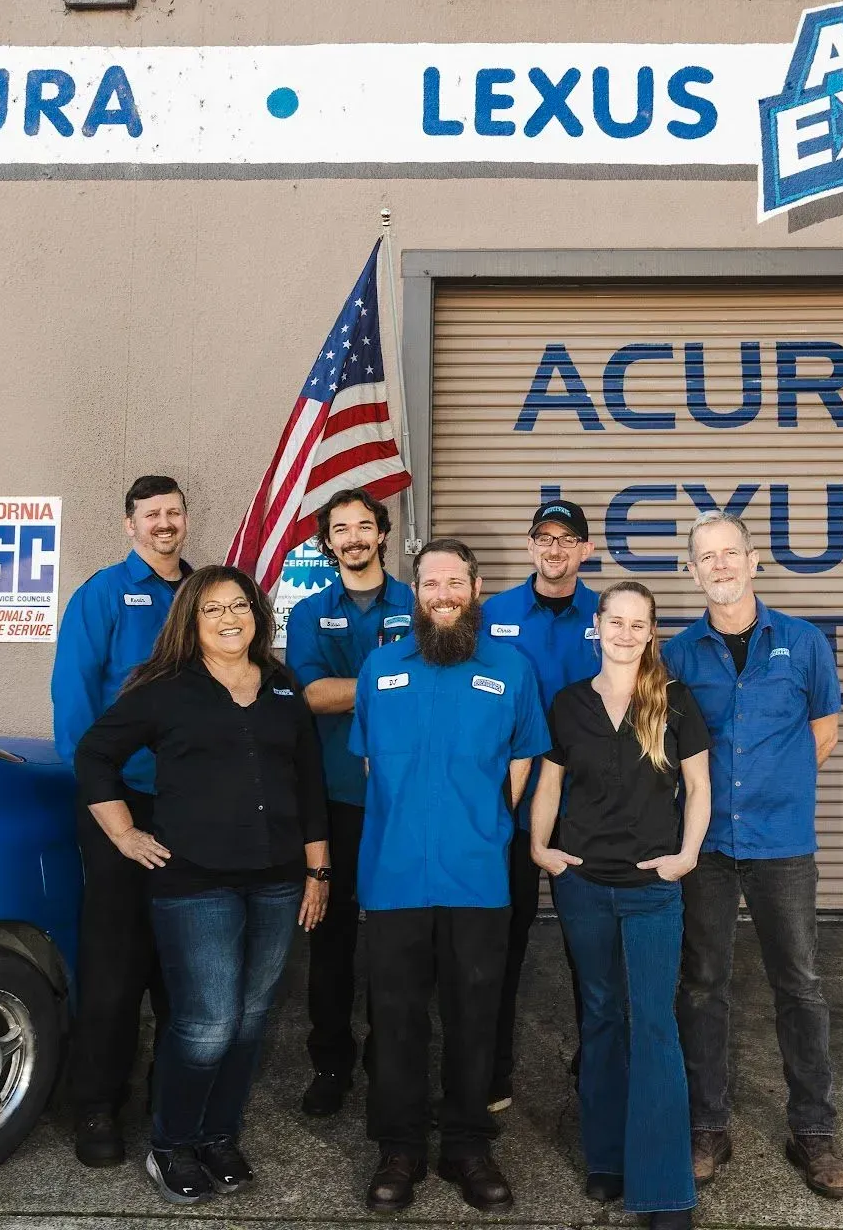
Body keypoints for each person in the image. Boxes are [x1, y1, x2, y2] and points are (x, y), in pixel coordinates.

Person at [75, 566, 331, 1203]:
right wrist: (125, 835)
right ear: (191, 621)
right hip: (195, 883)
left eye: (239, 606)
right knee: (208, 1024)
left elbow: (309, 783)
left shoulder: (280, 687)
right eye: (213, 608)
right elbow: (93, 756)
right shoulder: (165, 689)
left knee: (249, 1022)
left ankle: (217, 1135)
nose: (228, 618)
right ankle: (171, 1143)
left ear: (257, 615)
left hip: (277, 881)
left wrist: (318, 870)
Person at [350, 539, 549, 1214]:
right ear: (416, 590)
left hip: (477, 877)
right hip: (395, 874)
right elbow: (372, 765)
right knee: (397, 1018)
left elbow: (522, 766)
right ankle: (399, 1148)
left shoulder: (512, 670)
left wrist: (487, 830)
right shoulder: (380, 669)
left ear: (476, 586)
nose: (442, 592)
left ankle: (468, 1144)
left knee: (474, 1017)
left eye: (454, 581)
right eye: (431, 581)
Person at [661, 511, 843, 1199]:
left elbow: (823, 734)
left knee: (799, 986)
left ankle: (813, 1132)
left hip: (782, 845)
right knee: (703, 986)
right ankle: (707, 1126)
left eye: (729, 553)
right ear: (692, 571)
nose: (719, 565)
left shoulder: (803, 645)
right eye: (705, 557)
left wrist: (772, 788)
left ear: (752, 561)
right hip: (706, 847)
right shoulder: (678, 654)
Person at [531, 581, 709, 1229]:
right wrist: (540, 848)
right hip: (582, 885)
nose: (626, 634)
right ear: (597, 627)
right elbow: (549, 782)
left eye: (639, 625)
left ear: (651, 632)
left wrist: (686, 856)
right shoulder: (570, 703)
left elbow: (698, 786)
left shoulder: (675, 701)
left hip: (651, 888)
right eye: (616, 622)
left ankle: (664, 1191)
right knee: (602, 1016)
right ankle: (605, 1158)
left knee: (654, 1024)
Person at [50, 474, 192, 1167]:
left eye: (173, 512)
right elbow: (75, 714)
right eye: (151, 515)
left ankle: (174, 1100)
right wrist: (111, 821)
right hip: (120, 805)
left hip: (191, 811)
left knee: (183, 966)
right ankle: (97, 1108)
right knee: (113, 963)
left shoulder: (203, 594)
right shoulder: (102, 595)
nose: (164, 523)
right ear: (130, 526)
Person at [285, 487, 413, 1117]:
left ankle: (392, 1060)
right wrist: (393, 680)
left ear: (382, 534)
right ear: (327, 541)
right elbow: (308, 695)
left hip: (405, 802)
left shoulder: (416, 605)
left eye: (366, 526)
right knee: (331, 938)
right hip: (334, 797)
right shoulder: (309, 613)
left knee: (397, 939)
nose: (355, 537)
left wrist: (357, 688)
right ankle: (331, 1062)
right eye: (342, 529)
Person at [480, 498, 602, 1111]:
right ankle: (493, 1069)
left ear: (585, 549)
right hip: (514, 805)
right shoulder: (492, 613)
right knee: (504, 942)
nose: (555, 549)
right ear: (531, 545)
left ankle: (597, 1064)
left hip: (589, 811)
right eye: (544, 538)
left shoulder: (608, 616)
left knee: (591, 947)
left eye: (567, 539)